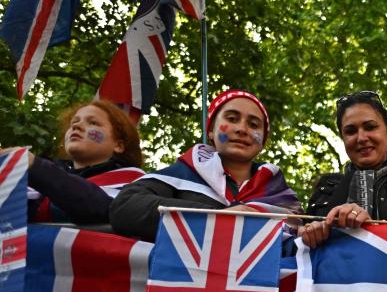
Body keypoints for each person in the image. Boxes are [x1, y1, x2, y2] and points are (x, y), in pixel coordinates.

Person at [110, 89, 300, 242]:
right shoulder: (181, 175)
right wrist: (217, 217)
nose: (242, 129)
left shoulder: (282, 197)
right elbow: (124, 207)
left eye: (253, 124)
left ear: (263, 142)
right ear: (211, 131)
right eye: (232, 119)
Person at [298, 91, 387, 247]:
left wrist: (371, 229)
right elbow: (300, 252)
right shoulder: (326, 188)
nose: (361, 138)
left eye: (370, 127)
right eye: (351, 131)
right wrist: (309, 234)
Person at [0, 100, 144, 225]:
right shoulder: (36, 180)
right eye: (74, 122)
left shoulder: (136, 181)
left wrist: (35, 166)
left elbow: (107, 208)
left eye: (93, 123)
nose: (76, 126)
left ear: (118, 145)